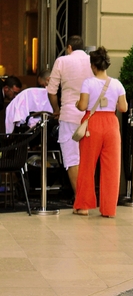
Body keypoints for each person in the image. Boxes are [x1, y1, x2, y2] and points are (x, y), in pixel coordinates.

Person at [73, 47, 127, 218]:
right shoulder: (117, 84)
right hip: (111, 124)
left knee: (88, 166)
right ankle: (109, 209)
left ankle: (83, 206)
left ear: (93, 66)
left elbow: (82, 106)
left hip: (93, 124)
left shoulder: (88, 83)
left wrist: (76, 104)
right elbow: (123, 108)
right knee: (112, 168)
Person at [47, 35, 93, 193]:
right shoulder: (92, 61)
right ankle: (88, 197)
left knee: (72, 158)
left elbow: (52, 92)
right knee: (88, 158)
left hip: (69, 115)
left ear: (69, 47)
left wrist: (56, 110)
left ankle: (81, 198)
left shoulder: (62, 61)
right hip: (90, 116)